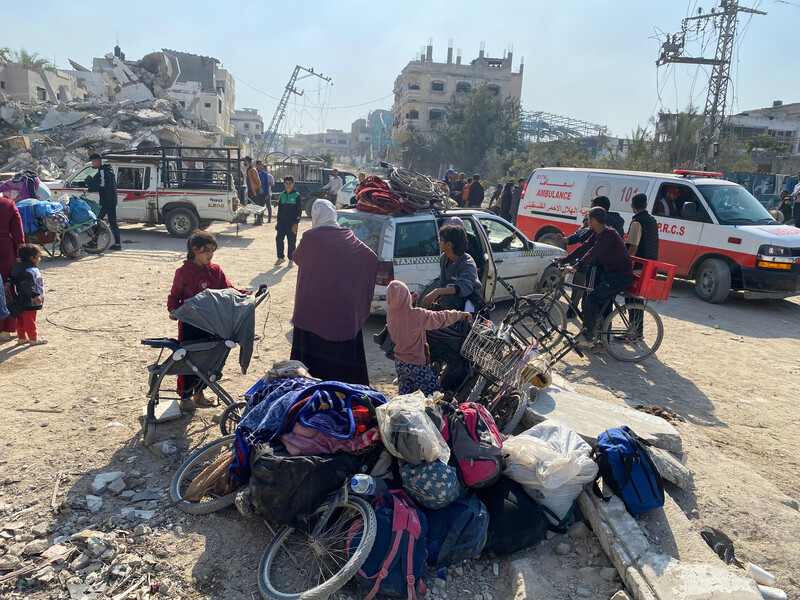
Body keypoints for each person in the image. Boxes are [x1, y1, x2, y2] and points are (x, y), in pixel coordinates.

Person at [290, 200, 377, 384]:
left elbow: (297, 258)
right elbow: (370, 257)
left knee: (311, 369)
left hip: (312, 312)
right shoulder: (348, 236)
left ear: (316, 215)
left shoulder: (311, 237)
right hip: (343, 313)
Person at [167, 230, 245, 410]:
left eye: (212, 251)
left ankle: (199, 394)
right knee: (188, 360)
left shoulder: (216, 271)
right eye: (206, 250)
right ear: (195, 249)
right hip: (190, 325)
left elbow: (229, 290)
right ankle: (185, 398)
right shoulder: (184, 272)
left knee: (207, 360)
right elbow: (174, 297)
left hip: (212, 325)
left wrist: (246, 295)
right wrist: (173, 310)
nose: (210, 255)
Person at [563, 207, 633, 352]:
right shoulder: (598, 233)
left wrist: (577, 266)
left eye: (588, 219)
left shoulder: (609, 234)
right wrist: (565, 259)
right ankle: (599, 341)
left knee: (592, 299)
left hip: (620, 276)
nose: (587, 222)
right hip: (610, 275)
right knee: (600, 304)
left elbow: (593, 252)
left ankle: (589, 336)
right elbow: (584, 247)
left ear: (593, 220)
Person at [386, 280, 471, 395]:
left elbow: (401, 309)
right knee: (436, 395)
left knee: (405, 397)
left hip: (400, 362)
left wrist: (410, 301)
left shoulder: (391, 314)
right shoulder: (417, 315)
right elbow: (439, 317)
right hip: (415, 364)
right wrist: (459, 314)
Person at [623, 193, 659, 341]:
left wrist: (624, 265)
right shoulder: (652, 220)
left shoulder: (637, 222)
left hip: (637, 266)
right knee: (639, 301)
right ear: (645, 205)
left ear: (632, 206)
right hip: (649, 266)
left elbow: (633, 249)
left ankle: (633, 333)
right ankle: (638, 333)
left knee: (631, 301)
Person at [422, 224, 481, 311]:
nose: (438, 243)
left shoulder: (467, 263)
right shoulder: (444, 257)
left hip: (467, 301)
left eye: (441, 240)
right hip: (448, 298)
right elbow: (443, 283)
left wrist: (438, 291)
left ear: (449, 244)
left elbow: (464, 288)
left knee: (447, 299)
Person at [12, 244, 47, 346]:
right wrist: (35, 296)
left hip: (20, 299)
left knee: (21, 319)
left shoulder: (21, 269)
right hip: (29, 300)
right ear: (31, 258)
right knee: (30, 320)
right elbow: (27, 287)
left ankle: (22, 337)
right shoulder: (28, 272)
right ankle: (33, 338)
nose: (39, 259)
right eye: (38, 257)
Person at [85, 153, 121, 251]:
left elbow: (102, 184)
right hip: (112, 199)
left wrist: (91, 190)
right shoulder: (109, 169)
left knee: (97, 220)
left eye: (92, 162)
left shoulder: (102, 170)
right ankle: (117, 243)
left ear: (97, 160)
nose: (93, 164)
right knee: (113, 222)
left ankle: (94, 242)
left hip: (106, 200)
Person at [0, 193, 24, 340]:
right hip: (5, 250)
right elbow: (18, 233)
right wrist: (20, 253)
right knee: (7, 287)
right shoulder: (8, 204)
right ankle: (6, 329)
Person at [275, 176, 302, 267]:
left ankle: (291, 259)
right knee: (279, 239)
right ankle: (280, 257)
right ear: (284, 184)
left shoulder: (297, 195)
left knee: (291, 241)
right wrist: (278, 222)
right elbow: (280, 210)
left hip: (292, 223)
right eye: (286, 183)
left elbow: (299, 210)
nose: (288, 185)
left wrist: (296, 223)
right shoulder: (282, 195)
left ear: (293, 184)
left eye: (290, 183)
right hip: (282, 222)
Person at [254, 160, 273, 226]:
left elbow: (266, 185)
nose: (260, 166)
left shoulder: (264, 174)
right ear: (256, 165)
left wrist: (267, 194)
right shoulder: (254, 172)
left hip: (263, 193)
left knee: (261, 206)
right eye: (259, 164)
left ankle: (260, 219)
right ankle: (256, 219)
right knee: (255, 206)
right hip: (255, 193)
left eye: (261, 164)